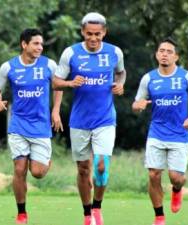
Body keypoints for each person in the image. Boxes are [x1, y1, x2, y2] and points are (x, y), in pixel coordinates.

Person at [52, 12, 126, 225]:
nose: (93, 39)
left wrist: (120, 84)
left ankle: (97, 207)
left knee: (101, 165)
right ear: (83, 32)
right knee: (83, 169)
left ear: (104, 33)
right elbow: (56, 82)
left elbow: (121, 73)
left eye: (97, 34)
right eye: (89, 34)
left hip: (105, 119)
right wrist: (70, 83)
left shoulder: (114, 52)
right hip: (79, 121)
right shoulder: (71, 53)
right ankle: (87, 214)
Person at [0, 28, 63, 224]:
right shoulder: (8, 67)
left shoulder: (49, 65)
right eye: (36, 43)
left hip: (41, 126)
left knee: (38, 173)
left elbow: (58, 87)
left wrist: (56, 110)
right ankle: (21, 213)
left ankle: (44, 160)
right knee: (19, 169)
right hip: (18, 125)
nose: (40, 47)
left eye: (41, 44)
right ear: (24, 44)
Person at [133, 38, 188, 225]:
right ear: (157, 54)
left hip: (179, 134)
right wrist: (137, 106)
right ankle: (159, 217)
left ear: (176, 56)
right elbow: (136, 103)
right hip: (156, 133)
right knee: (153, 175)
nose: (165, 54)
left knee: (176, 177)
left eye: (169, 51)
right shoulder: (148, 78)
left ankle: (177, 189)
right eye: (161, 50)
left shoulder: (186, 77)